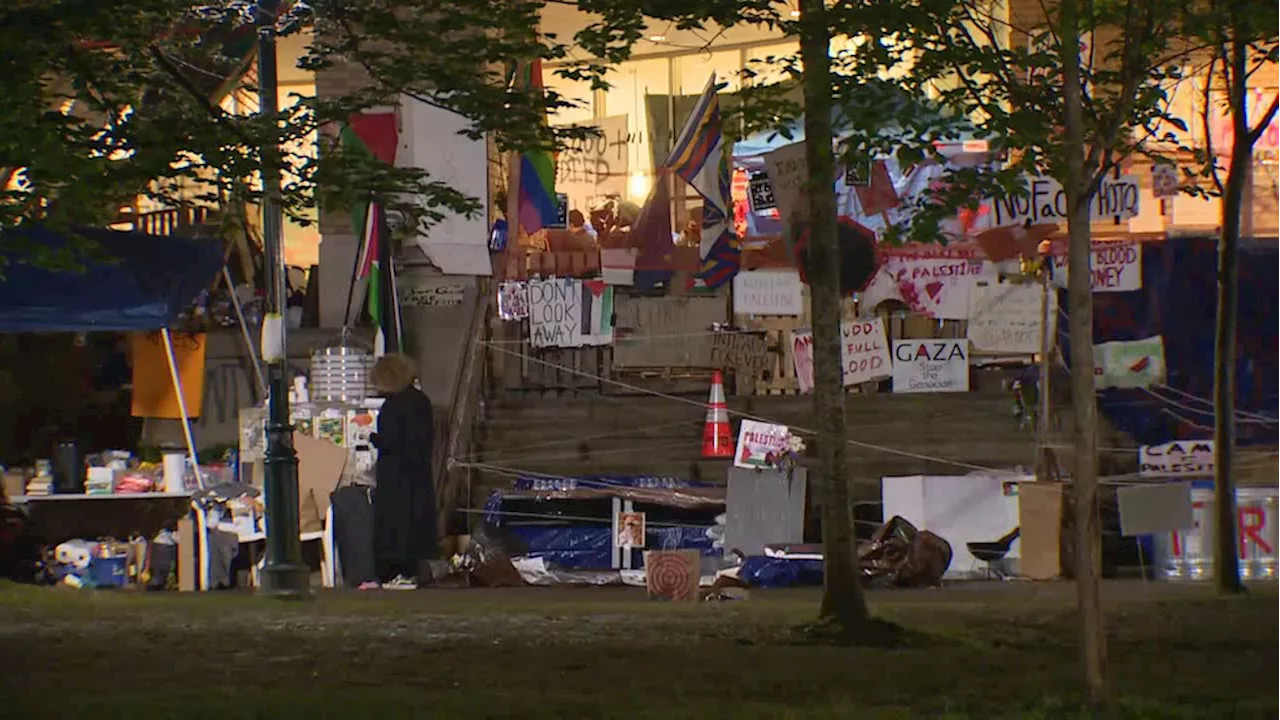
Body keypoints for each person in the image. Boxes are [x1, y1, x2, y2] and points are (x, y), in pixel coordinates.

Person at [369, 353, 438, 590]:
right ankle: (411, 571)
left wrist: (373, 438)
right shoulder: (421, 401)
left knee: (394, 527)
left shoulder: (393, 406)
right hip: (418, 473)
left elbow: (391, 440)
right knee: (414, 526)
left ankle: (394, 572)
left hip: (395, 475)